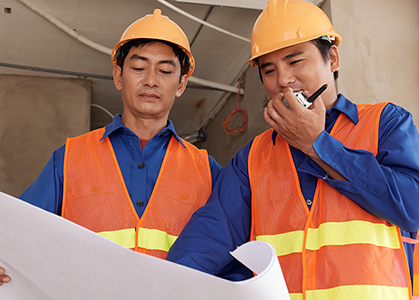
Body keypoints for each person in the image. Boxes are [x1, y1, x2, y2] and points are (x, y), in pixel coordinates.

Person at [167, 0, 419, 298]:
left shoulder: (385, 123)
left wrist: (316, 145)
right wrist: (163, 285)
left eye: (295, 61)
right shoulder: (251, 159)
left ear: (333, 58)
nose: (283, 80)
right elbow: (207, 244)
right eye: (269, 70)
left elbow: (412, 207)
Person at [0, 9, 222, 287]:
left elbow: (236, 256)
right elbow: (16, 230)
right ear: (118, 76)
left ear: (181, 84)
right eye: (138, 68)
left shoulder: (209, 173)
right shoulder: (69, 159)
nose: (151, 80)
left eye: (165, 70)